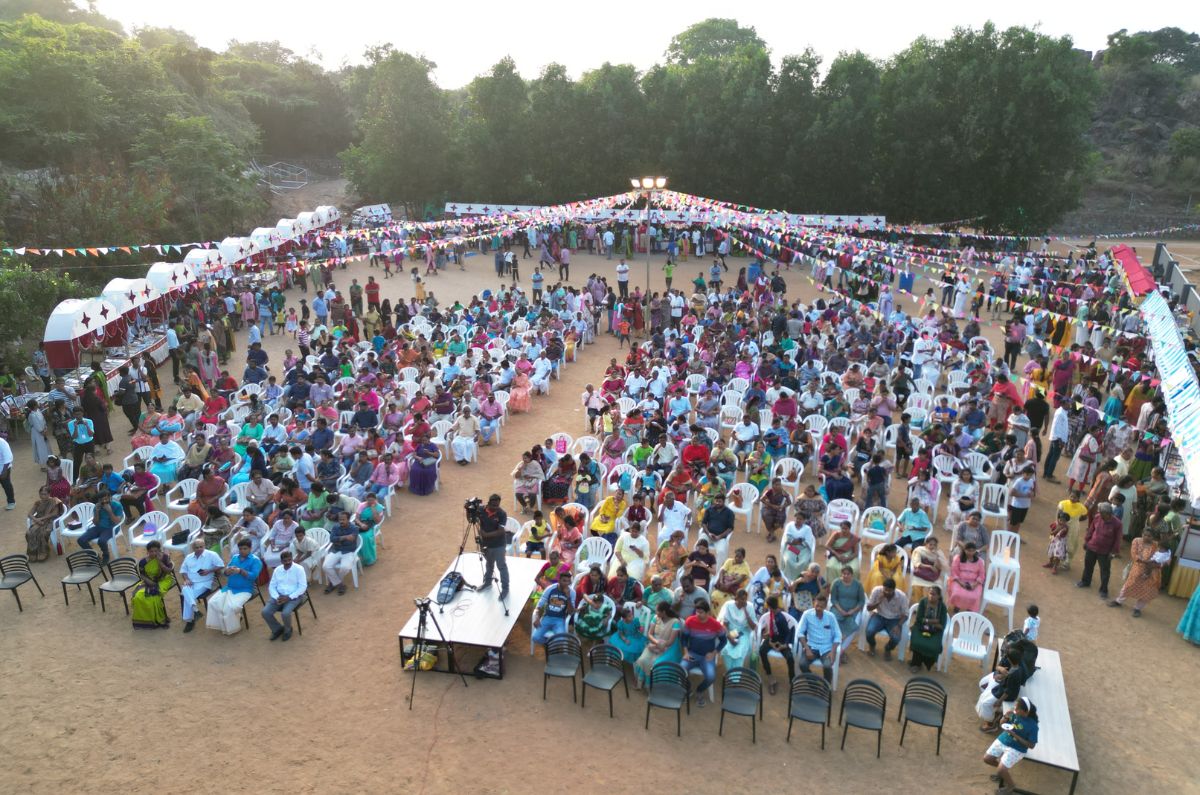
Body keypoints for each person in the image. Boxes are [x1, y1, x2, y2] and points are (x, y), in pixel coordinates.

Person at [983, 697, 1039, 795]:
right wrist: (1005, 717)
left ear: (1025, 712)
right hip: (1004, 739)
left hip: (1017, 748)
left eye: (1017, 708)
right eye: (1015, 707)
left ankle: (1011, 786)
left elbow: (1031, 745)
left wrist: (1014, 735)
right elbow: (1002, 724)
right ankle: (1002, 773)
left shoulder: (1033, 726)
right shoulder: (1014, 715)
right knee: (987, 759)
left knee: (1001, 769)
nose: (1014, 709)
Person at [1108, 528, 1169, 617]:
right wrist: (1145, 561)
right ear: (1142, 534)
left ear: (1153, 537)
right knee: (1129, 585)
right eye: (1145, 535)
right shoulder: (1136, 541)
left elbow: (1163, 557)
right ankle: (1118, 601)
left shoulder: (1156, 545)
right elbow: (1134, 555)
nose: (1146, 537)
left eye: (1149, 536)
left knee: (1148, 590)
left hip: (1153, 571)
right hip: (1138, 568)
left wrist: (1157, 564)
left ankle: (1137, 608)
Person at [679, 600, 726, 706]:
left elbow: (724, 640)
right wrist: (686, 652)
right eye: (697, 612)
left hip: (707, 657)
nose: (698, 614)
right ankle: (688, 689)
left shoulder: (715, 624)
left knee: (711, 677)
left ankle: (699, 691)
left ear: (708, 612)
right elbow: (684, 639)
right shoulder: (690, 621)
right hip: (692, 654)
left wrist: (714, 653)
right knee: (681, 670)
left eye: (701, 612)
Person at [1076, 502, 1123, 599]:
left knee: (1105, 571)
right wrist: (1086, 541)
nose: (1099, 513)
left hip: (1105, 552)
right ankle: (1085, 581)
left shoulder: (1117, 524)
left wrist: (1113, 552)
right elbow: (1091, 530)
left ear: (1107, 514)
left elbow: (1117, 539)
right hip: (1092, 546)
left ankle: (1103, 590)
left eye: (1101, 512)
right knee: (1088, 565)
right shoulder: (1097, 517)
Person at [633, 601, 683, 688]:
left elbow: (671, 641)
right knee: (642, 659)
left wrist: (659, 645)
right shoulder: (655, 618)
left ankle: (653, 686)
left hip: (668, 648)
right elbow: (649, 634)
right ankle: (642, 683)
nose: (655, 612)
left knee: (655, 664)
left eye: (657, 611)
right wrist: (656, 644)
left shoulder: (675, 622)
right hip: (654, 644)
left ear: (663, 612)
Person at [178, 538, 224, 633]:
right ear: (193, 548)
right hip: (191, 582)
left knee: (186, 594)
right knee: (185, 589)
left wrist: (209, 571)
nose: (199, 549)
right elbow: (183, 571)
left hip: (205, 582)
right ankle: (195, 610)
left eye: (201, 547)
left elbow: (221, 565)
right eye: (196, 547)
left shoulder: (211, 555)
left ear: (204, 546)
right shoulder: (188, 557)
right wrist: (186, 579)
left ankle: (190, 621)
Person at [261, 550, 308, 641]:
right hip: (278, 596)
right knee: (265, 612)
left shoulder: (299, 569)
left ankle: (288, 629)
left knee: (285, 613)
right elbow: (272, 585)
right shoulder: (277, 570)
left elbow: (303, 587)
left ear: (292, 559)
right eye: (285, 561)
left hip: (294, 597)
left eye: (289, 560)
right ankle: (277, 629)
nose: (288, 562)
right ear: (281, 561)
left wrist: (289, 597)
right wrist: (276, 597)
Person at [130, 540, 175, 629]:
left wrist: (160, 562)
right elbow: (142, 574)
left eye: (156, 551)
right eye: (151, 551)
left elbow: (169, 571)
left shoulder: (164, 557)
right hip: (148, 581)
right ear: (148, 552)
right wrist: (149, 582)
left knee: (154, 596)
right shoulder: (143, 562)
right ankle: (145, 621)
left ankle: (160, 619)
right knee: (139, 596)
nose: (154, 553)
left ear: (159, 550)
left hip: (164, 580)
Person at [864, 577, 909, 661]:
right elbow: (868, 608)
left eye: (889, 591)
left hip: (894, 619)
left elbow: (906, 614)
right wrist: (878, 601)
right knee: (869, 632)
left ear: (894, 590)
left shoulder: (902, 596)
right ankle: (872, 645)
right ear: (883, 587)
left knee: (896, 638)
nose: (887, 592)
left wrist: (898, 625)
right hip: (879, 616)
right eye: (885, 590)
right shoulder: (877, 591)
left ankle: (888, 648)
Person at [531, 571, 576, 651]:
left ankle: (551, 646)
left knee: (560, 640)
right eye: (564, 581)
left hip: (560, 620)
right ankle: (549, 645)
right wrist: (536, 617)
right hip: (547, 617)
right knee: (535, 638)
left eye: (568, 581)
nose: (566, 583)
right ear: (559, 580)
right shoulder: (550, 589)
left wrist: (568, 597)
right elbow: (539, 605)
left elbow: (571, 612)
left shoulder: (572, 593)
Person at [78, 484, 123, 564]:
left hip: (112, 527)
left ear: (110, 497)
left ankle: (106, 556)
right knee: (81, 540)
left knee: (101, 541)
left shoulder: (117, 506)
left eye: (106, 499)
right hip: (99, 527)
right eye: (102, 500)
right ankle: (95, 556)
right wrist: (97, 512)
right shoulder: (97, 507)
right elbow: (95, 523)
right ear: (99, 500)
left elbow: (117, 521)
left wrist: (109, 511)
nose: (104, 501)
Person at [758, 595, 794, 694]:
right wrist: (769, 641)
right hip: (773, 639)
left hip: (781, 642)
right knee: (762, 651)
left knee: (790, 658)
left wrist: (784, 645)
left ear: (769, 606)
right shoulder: (771, 614)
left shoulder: (781, 618)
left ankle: (792, 681)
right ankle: (771, 678)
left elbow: (788, 633)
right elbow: (772, 630)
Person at [829, 566, 866, 663]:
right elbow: (833, 599)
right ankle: (834, 648)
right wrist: (840, 610)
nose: (845, 576)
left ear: (852, 574)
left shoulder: (858, 585)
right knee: (834, 623)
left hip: (852, 611)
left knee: (852, 626)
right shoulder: (836, 583)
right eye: (843, 574)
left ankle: (840, 651)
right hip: (838, 609)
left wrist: (853, 611)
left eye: (848, 574)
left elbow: (861, 601)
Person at [908, 585, 948, 672]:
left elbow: (942, 625)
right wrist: (935, 621)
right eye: (930, 594)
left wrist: (926, 621)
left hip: (936, 631)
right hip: (920, 627)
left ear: (938, 596)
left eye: (934, 594)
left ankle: (926, 662)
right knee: (917, 642)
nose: (931, 596)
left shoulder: (942, 607)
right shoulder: (923, 602)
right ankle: (916, 664)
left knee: (933, 646)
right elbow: (919, 619)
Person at [477, 494, 509, 600]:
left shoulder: (502, 514)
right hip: (486, 544)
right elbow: (473, 521)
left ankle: (505, 589)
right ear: (488, 503)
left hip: (499, 544)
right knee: (489, 564)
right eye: (494, 505)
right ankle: (487, 582)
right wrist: (469, 512)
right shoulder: (481, 510)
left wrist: (485, 535)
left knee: (501, 566)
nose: (496, 507)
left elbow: (501, 531)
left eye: (498, 505)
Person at [718, 588, 757, 671]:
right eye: (742, 599)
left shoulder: (749, 606)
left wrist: (746, 611)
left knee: (739, 651)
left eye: (745, 599)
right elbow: (724, 624)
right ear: (736, 598)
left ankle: (735, 676)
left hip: (743, 632)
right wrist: (729, 637)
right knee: (726, 650)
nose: (744, 601)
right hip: (731, 632)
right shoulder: (729, 605)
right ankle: (730, 672)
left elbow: (753, 627)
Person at [323, 511, 359, 595]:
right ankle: (340, 584)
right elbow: (332, 539)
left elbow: (352, 540)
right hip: (336, 550)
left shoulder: (354, 528)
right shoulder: (335, 527)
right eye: (340, 519)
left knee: (345, 567)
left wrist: (338, 540)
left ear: (348, 519)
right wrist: (345, 537)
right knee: (325, 566)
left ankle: (333, 583)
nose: (341, 521)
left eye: (343, 519)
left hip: (348, 551)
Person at [25, 485, 64, 561]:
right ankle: (33, 553)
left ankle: (43, 552)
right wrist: (36, 520)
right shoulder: (38, 503)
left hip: (50, 521)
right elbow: (29, 514)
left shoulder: (54, 501)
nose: (43, 496)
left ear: (49, 494)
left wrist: (41, 519)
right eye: (41, 494)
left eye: (45, 494)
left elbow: (54, 514)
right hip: (38, 522)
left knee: (43, 533)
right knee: (29, 533)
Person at [947, 542, 986, 612]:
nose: (970, 553)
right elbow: (954, 571)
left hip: (974, 582)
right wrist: (961, 583)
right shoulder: (958, 558)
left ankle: (969, 609)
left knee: (974, 596)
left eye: (973, 551)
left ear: (975, 551)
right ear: (964, 550)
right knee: (957, 593)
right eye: (968, 550)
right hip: (959, 580)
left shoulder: (979, 561)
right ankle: (957, 606)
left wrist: (975, 584)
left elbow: (982, 575)